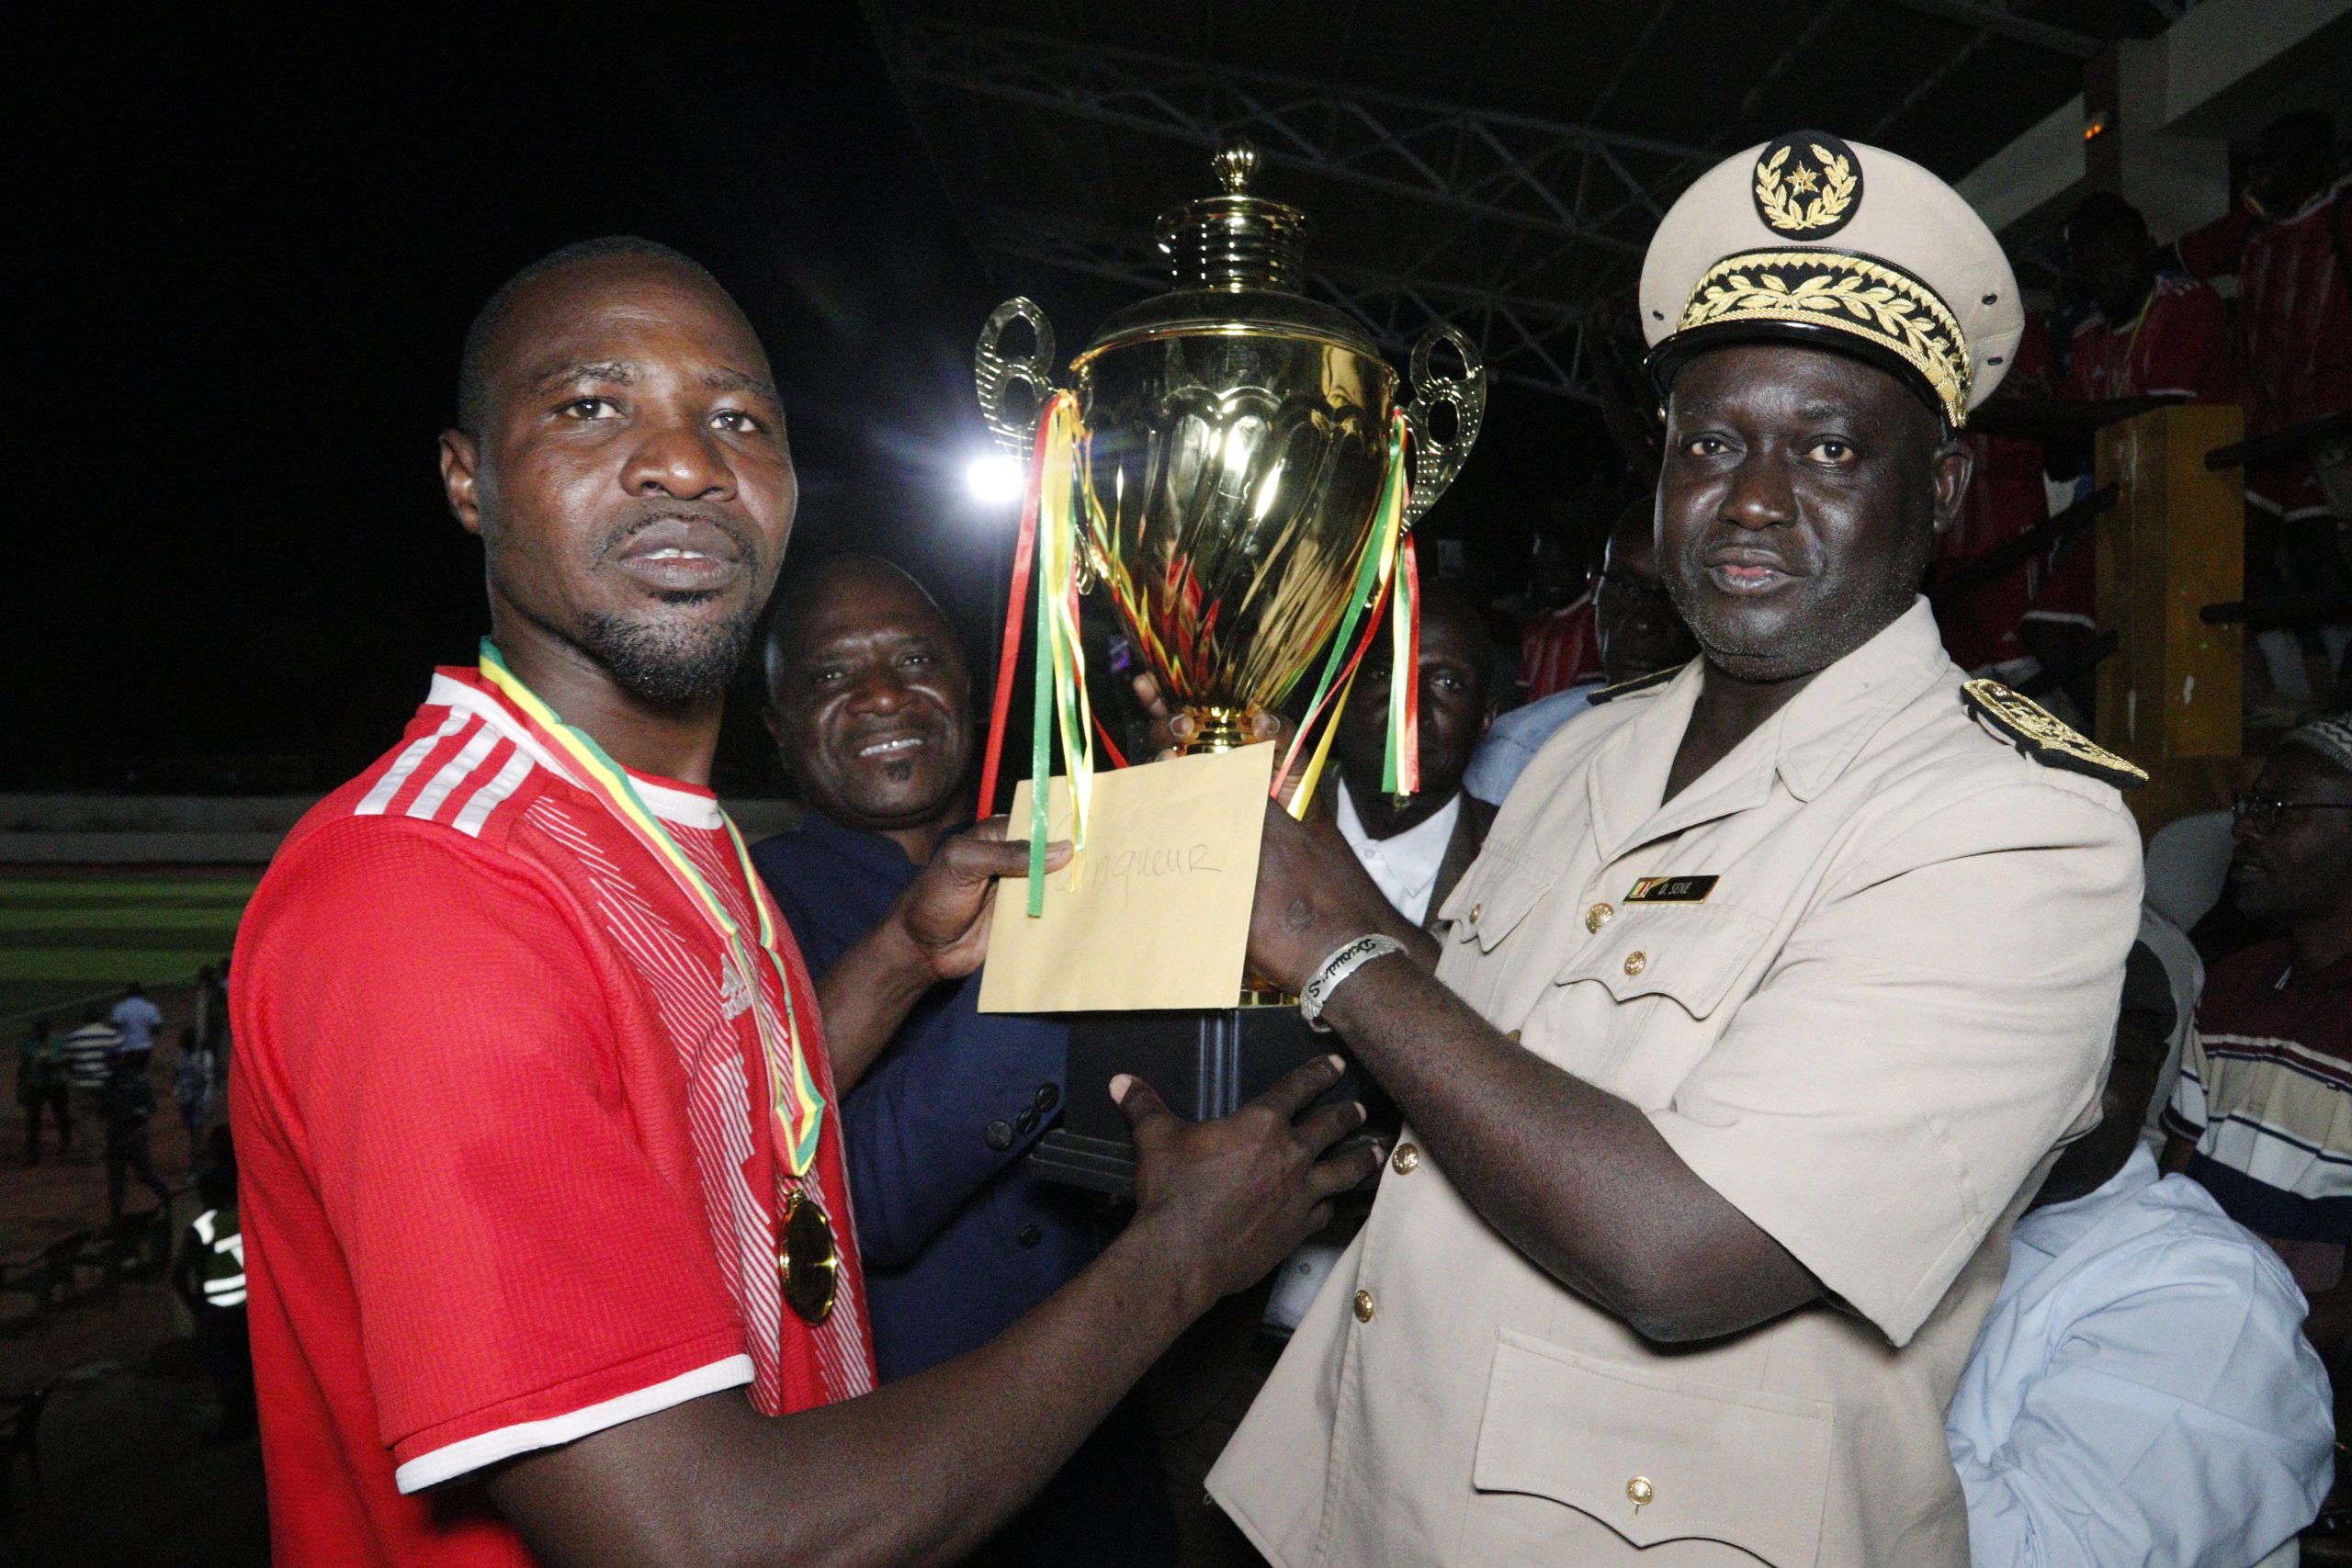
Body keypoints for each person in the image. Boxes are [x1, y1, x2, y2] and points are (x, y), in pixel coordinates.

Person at [227, 235, 1375, 1566]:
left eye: (738, 421)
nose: (684, 462)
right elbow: (703, 1541)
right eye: (591, 405)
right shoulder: (430, 893)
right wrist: (1179, 1257)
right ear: (466, 478)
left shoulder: (672, 845)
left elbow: (701, 1140)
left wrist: (897, 956)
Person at [1207, 133, 2145, 1567]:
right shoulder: (1588, 751)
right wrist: (1231, 1153)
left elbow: (1684, 1250)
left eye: (1830, 447)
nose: (1754, 497)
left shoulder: (2013, 829)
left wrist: (1341, 949)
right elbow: (1467, 1067)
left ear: (1945, 489)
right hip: (1362, 1494)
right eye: (1711, 444)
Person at [750, 553, 1175, 1568]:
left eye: (913, 660)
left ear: (971, 688)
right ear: (776, 728)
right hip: (907, 1484)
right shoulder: (742, 914)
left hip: (1109, 1468)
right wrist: (1057, 936)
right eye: (830, 674)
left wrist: (1184, 816)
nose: (882, 694)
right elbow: (862, 1198)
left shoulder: (1073, 852)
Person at [1947, 963, 2334, 1568]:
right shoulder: (1943, 1217)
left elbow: (2043, 1554)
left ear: (2148, 1073)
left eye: (2091, 1060)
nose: (2041, 1092)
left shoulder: (2204, 1291)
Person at [2162, 715, 2352, 1405]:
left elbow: (2340, 1317)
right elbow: (2172, 1199)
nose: (2245, 827)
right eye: (2250, 805)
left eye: (2277, 809)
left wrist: (2224, 1345)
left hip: (2288, 1381)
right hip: (2187, 1333)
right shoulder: (2234, 986)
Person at [2172, 110, 2352, 704]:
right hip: (2262, 427)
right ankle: (2291, 690)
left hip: (2329, 428)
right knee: (2244, 559)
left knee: (2322, 557)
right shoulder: (2248, 230)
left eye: (2274, 164)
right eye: (2258, 165)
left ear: (2312, 166)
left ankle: (2339, 689)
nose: (2260, 176)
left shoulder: (2340, 221)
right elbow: (2178, 261)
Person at [1466, 496, 1697, 804]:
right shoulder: (1521, 749)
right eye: (1625, 587)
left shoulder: (1728, 757)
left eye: (1673, 596)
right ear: (1595, 589)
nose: (1644, 623)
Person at [1326, 577, 1500, 931]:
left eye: (1448, 683)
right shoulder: (1264, 824)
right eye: (1384, 674)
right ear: (1338, 692)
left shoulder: (1520, 860)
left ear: (1486, 717)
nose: (1410, 711)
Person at [174, 1131, 255, 1444]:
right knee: (248, 1365)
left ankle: (233, 1424)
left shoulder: (203, 1228)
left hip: (218, 1312)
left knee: (225, 1368)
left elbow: (179, 1274)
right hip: (249, 1307)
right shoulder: (245, 1215)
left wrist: (194, 1305)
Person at [100, 1049, 170, 1224]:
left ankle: (168, 1200)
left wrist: (133, 1113)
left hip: (130, 1136)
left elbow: (149, 1107)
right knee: (121, 1180)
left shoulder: (123, 1081)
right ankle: (116, 1218)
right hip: (123, 1137)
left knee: (136, 1176)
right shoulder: (118, 1081)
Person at [17, 1016, 70, 1164]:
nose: (42, 1032)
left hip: (56, 1083)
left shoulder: (60, 1040)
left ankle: (65, 1143)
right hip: (36, 1085)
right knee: (33, 1119)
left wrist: (54, 1066)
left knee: (61, 1115)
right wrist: (20, 1087)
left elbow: (68, 1062)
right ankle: (33, 1152)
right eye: (39, 1029)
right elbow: (23, 1067)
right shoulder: (28, 1044)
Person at [58, 1005, 119, 1132]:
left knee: (88, 1117)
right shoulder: (111, 1034)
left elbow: (68, 1063)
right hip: (106, 1081)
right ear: (101, 1018)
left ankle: (92, 1143)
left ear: (85, 1020)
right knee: (112, 1115)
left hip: (83, 1083)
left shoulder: (73, 1037)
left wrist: (75, 1077)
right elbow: (115, 1060)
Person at [173, 1023, 213, 1164]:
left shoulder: (203, 1057)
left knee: (196, 1130)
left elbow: (205, 1080)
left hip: (198, 1098)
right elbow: (177, 1074)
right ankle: (197, 1156)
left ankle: (197, 1159)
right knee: (193, 1129)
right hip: (186, 1097)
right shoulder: (183, 1055)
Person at [109, 981, 162, 1067]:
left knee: (126, 1072)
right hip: (144, 1047)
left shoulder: (120, 1007)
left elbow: (114, 1027)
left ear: (128, 993)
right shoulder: (150, 1007)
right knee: (140, 1072)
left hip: (125, 1048)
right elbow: (156, 1030)